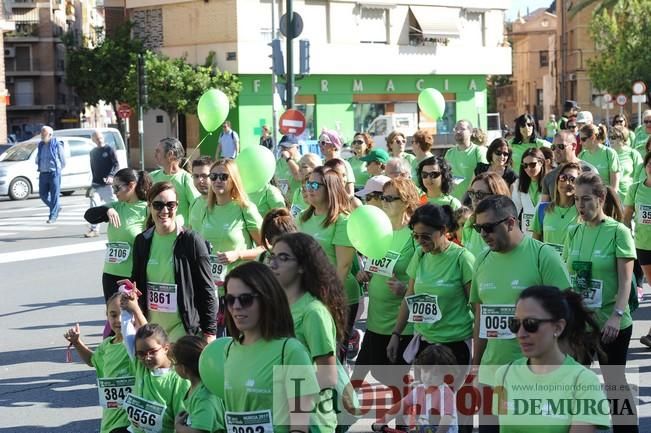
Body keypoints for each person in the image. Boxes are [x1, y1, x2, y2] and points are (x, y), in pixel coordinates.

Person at [468, 195, 571, 433]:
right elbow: (481, 319)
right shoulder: (481, 260)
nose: (483, 234)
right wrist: (475, 368)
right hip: (492, 377)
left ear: (511, 222)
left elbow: (567, 319)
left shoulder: (543, 256)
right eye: (478, 228)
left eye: (488, 228)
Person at [563, 172, 638, 433]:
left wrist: (616, 316)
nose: (581, 206)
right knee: (576, 383)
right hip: (581, 324)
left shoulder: (619, 232)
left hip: (611, 323)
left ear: (602, 198)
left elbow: (625, 282)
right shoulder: (573, 231)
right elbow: (568, 277)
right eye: (576, 200)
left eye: (586, 199)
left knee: (614, 384)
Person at [494, 286, 610, 432]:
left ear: (558, 327)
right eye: (515, 324)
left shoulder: (584, 382)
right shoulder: (504, 374)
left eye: (531, 324)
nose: (521, 333)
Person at [222, 262, 319, 433]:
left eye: (245, 299)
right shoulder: (230, 348)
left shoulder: (291, 352)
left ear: (267, 299)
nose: (236, 306)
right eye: (229, 300)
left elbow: (300, 425)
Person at [267, 232, 346, 433]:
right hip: (281, 417)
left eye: (283, 258)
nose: (273, 264)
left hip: (312, 421)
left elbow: (328, 376)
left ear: (302, 266)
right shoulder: (275, 306)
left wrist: (288, 394)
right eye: (272, 257)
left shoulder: (313, 312)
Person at [388, 204, 475, 379]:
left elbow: (477, 308)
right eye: (416, 236)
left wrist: (480, 356)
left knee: (448, 404)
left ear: (443, 230)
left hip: (454, 346)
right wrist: (396, 334)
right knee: (424, 401)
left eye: (426, 236)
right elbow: (409, 296)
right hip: (424, 344)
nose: (420, 241)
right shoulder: (420, 255)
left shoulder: (462, 259)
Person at [128, 181, 217, 343]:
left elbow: (207, 289)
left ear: (177, 207)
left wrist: (210, 332)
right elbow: (136, 282)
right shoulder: (142, 241)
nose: (164, 211)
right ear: (149, 206)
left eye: (170, 205)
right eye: (158, 205)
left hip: (183, 329)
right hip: (151, 330)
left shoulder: (191, 240)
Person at [355, 178, 420, 386]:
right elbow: (374, 264)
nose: (384, 202)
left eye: (391, 198)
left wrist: (405, 289)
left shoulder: (415, 236)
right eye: (382, 197)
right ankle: (344, 417)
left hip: (401, 325)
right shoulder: (380, 230)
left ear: (407, 202)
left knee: (395, 382)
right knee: (357, 379)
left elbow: (425, 278)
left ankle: (403, 416)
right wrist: (366, 274)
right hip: (375, 321)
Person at [297, 166, 360, 360]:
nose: (309, 188)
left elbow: (343, 266)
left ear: (330, 188)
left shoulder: (343, 221)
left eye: (315, 184)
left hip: (337, 297)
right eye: (308, 183)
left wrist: (329, 300)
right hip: (309, 296)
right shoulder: (302, 218)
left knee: (332, 358)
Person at [64, 294, 133, 433]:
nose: (118, 320)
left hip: (130, 422)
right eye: (113, 315)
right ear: (106, 315)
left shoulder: (135, 344)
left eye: (124, 314)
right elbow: (92, 360)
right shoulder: (107, 344)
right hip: (110, 421)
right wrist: (77, 343)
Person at [84, 168, 152, 301]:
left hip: (132, 276)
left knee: (134, 319)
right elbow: (89, 215)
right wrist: (107, 209)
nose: (114, 192)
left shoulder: (147, 209)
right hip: (110, 274)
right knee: (113, 318)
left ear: (131, 185)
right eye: (113, 188)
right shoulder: (116, 206)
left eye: (117, 188)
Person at [118, 311, 190, 433]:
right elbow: (127, 332)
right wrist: (127, 308)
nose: (147, 357)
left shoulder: (179, 379)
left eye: (152, 351)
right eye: (141, 354)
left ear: (166, 348)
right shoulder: (140, 366)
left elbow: (182, 418)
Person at [196, 159, 263, 292]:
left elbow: (266, 247)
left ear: (233, 180)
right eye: (213, 177)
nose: (217, 181)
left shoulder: (245, 208)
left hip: (239, 287)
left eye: (223, 177)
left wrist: (238, 254)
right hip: (209, 288)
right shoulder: (205, 209)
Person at [374, 345, 459, 433]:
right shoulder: (419, 390)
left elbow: (446, 418)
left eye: (435, 374)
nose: (428, 377)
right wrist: (383, 421)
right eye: (425, 371)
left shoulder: (446, 393)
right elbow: (401, 405)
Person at [172, 336, 225, 433]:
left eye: (175, 363)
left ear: (184, 368)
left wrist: (178, 426)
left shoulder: (204, 396)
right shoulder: (197, 388)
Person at [532, 162, 581, 255]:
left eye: (573, 179)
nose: (567, 183)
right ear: (557, 180)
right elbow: (535, 245)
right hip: (547, 266)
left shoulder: (583, 212)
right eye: (563, 177)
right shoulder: (543, 209)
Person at [150, 137, 200, 227]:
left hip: (179, 234)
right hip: (157, 232)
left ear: (170, 154)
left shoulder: (186, 179)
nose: (155, 155)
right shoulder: (152, 177)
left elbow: (196, 207)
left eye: (158, 151)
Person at [460, 172, 511, 258]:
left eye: (480, 194)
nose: (474, 199)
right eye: (472, 193)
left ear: (496, 195)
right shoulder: (470, 222)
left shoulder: (506, 226)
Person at [541, 131, 595, 201]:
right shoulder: (549, 177)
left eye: (561, 146)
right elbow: (544, 208)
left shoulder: (589, 171)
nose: (556, 151)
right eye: (553, 147)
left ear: (574, 146)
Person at [86, 129, 120, 237]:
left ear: (103, 138)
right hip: (96, 184)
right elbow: (93, 168)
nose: (99, 140)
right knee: (94, 204)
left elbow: (116, 164)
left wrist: (111, 176)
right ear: (93, 140)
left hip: (107, 184)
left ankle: (120, 222)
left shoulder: (109, 149)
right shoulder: (93, 152)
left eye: (100, 138)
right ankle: (94, 229)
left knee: (113, 204)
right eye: (96, 139)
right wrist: (91, 185)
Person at [445, 120, 488, 200]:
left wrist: (467, 197)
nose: (458, 131)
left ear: (470, 132)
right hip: (453, 203)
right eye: (456, 129)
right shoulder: (449, 153)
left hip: (473, 201)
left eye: (462, 129)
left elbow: (483, 176)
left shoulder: (479, 151)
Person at [511, 148, 546, 236]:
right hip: (527, 235)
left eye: (532, 164)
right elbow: (514, 209)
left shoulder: (550, 182)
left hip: (546, 233)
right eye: (525, 165)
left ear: (541, 163)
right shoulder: (519, 183)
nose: (528, 168)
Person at [36, 125, 66, 223]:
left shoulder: (57, 144)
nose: (42, 134)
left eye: (44, 132)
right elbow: (38, 158)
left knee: (54, 195)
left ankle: (52, 217)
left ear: (50, 134)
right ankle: (57, 207)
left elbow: (63, 160)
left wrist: (58, 169)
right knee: (42, 194)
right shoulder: (41, 145)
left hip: (54, 173)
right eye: (41, 132)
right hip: (43, 173)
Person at [578, 124, 620, 190]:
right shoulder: (581, 156)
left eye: (583, 139)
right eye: (579, 139)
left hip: (606, 197)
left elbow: (614, 187)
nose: (580, 142)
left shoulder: (609, 153)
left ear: (592, 137)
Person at [610, 125, 643, 201]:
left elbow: (639, 176)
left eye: (614, 137)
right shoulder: (608, 153)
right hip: (611, 196)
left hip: (629, 195)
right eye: (610, 137)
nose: (611, 140)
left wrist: (635, 193)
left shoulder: (633, 153)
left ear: (622, 138)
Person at [319, 129, 356, 195]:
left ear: (334, 145)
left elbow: (350, 193)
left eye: (323, 143)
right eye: (319, 142)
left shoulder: (344, 164)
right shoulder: (320, 164)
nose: (320, 145)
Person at [290, 153, 322, 218]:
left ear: (316, 169)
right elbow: (293, 217)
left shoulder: (323, 192)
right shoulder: (298, 191)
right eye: (299, 166)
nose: (299, 170)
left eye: (304, 167)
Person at [187, 157, 212, 230]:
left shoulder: (222, 203)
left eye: (204, 176)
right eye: (196, 176)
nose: (199, 180)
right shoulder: (194, 203)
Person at [276, 134, 302, 200]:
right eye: (282, 147)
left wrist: (288, 159)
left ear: (297, 147)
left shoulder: (302, 161)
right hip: (283, 203)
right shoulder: (278, 162)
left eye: (287, 147)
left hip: (297, 203)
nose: (284, 150)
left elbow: (299, 176)